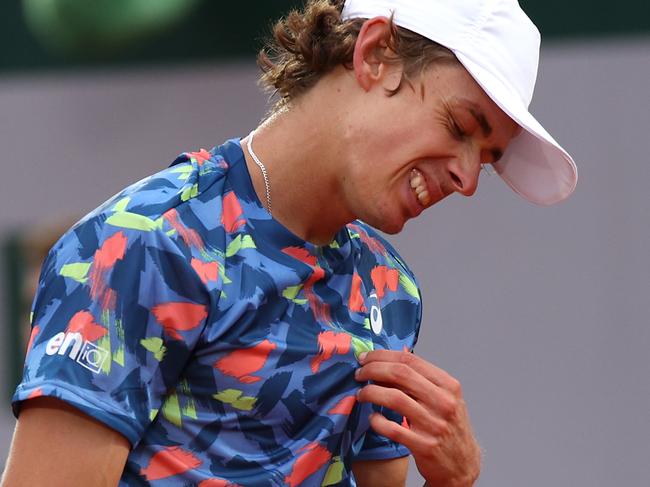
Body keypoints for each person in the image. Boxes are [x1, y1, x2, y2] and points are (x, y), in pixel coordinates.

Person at [1, 0, 577, 485]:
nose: (469, 180)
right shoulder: (142, 245)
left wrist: (455, 478)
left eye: (488, 158)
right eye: (459, 127)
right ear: (376, 53)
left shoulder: (390, 292)